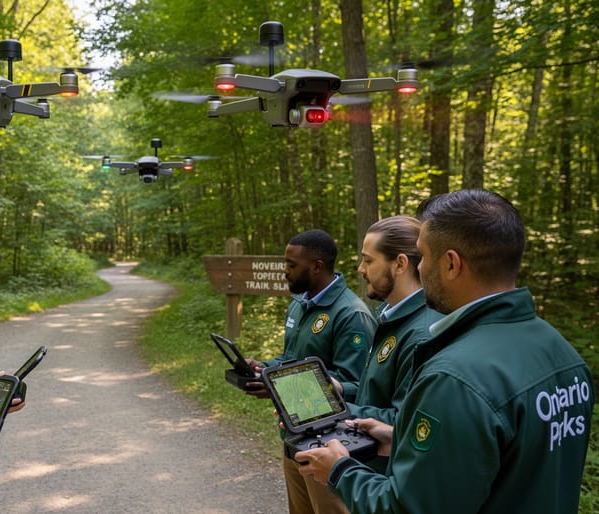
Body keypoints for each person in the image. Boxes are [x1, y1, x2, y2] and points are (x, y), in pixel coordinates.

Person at [295, 189, 593, 514]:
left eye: (423, 256)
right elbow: (509, 464)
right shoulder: (564, 354)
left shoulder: (455, 377)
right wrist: (401, 438)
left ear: (451, 264)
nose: (420, 268)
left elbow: (408, 508)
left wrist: (340, 471)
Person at [243, 229, 376, 514]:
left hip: (330, 446)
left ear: (316, 266)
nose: (285, 270)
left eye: (291, 264)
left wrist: (283, 389)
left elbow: (358, 386)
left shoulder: (351, 314)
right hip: (294, 438)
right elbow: (291, 359)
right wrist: (264, 369)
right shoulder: (299, 304)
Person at [349, 216, 442, 428]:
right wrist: (338, 391)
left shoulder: (421, 335)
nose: (361, 269)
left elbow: (404, 422)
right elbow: (378, 395)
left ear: (400, 264)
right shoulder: (391, 318)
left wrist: (336, 411)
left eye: (368, 260)